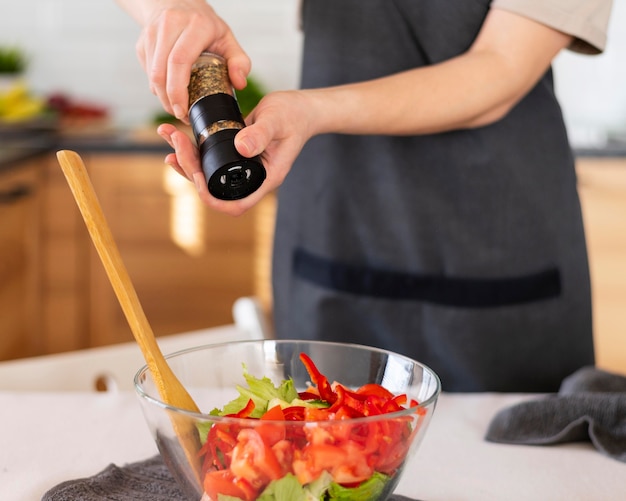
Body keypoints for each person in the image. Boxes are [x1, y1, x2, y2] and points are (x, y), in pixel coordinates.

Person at [115, 0, 613, 392]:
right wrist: (172, 12)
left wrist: (310, 112)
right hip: (334, 226)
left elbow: (500, 68)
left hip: (499, 243)